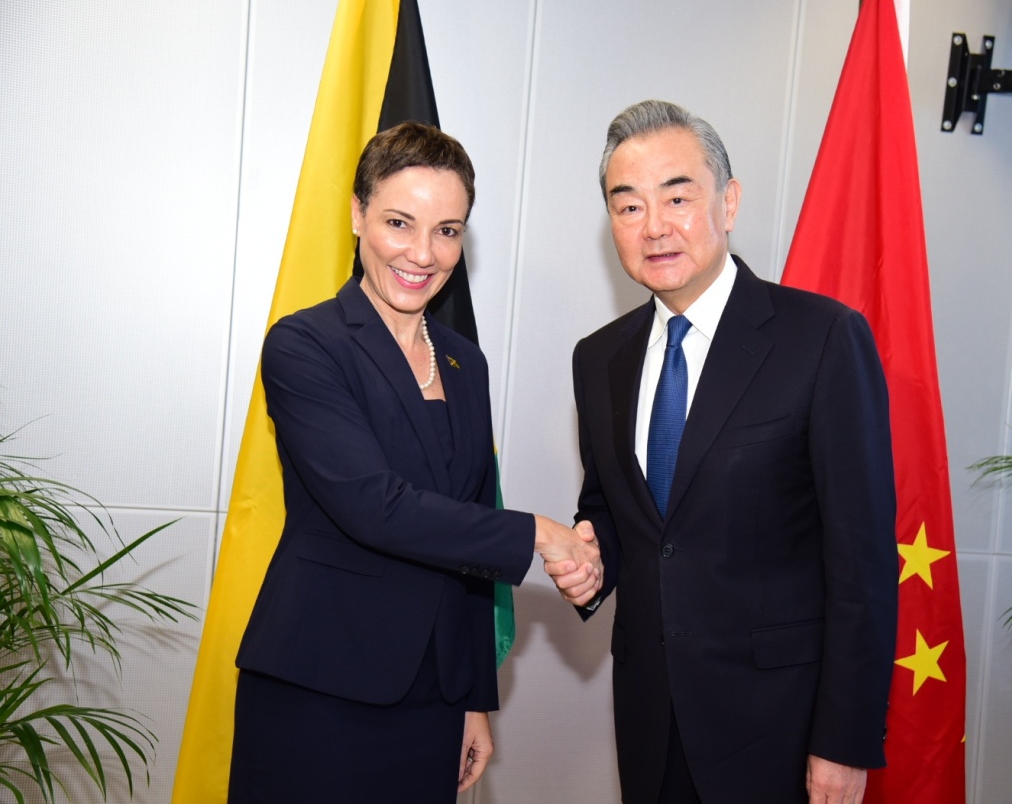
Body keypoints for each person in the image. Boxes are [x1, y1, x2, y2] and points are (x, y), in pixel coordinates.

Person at [230, 121, 601, 803]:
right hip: (320, 687)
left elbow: (464, 527)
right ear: (357, 214)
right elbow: (377, 507)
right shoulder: (305, 344)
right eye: (400, 221)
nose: (423, 252)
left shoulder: (466, 362)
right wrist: (540, 534)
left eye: (448, 230)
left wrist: (473, 697)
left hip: (433, 697)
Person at [547, 100, 898, 804]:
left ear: (728, 201)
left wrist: (845, 739)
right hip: (650, 714)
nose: (656, 226)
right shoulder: (599, 358)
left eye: (678, 196)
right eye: (629, 206)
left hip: (782, 728)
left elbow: (861, 561)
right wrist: (592, 558)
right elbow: (618, 511)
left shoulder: (822, 340)